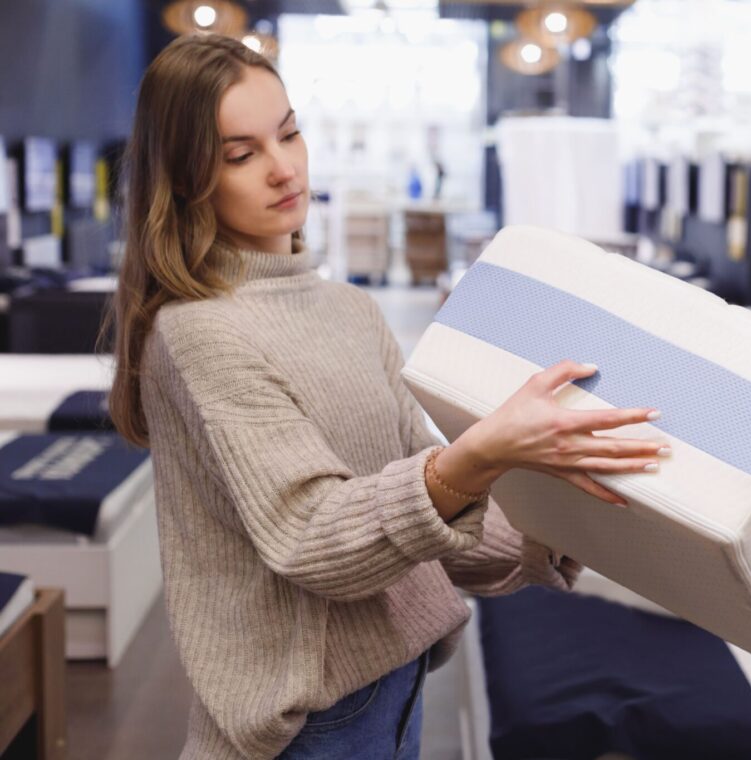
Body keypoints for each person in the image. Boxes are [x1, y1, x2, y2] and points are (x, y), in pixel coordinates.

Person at [105, 34, 669, 760]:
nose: (284, 169)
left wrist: (560, 523)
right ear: (185, 178)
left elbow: (427, 515)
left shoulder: (347, 308)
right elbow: (313, 538)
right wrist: (476, 458)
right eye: (241, 154)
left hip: (397, 681)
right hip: (311, 723)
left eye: (289, 133)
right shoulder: (198, 334)